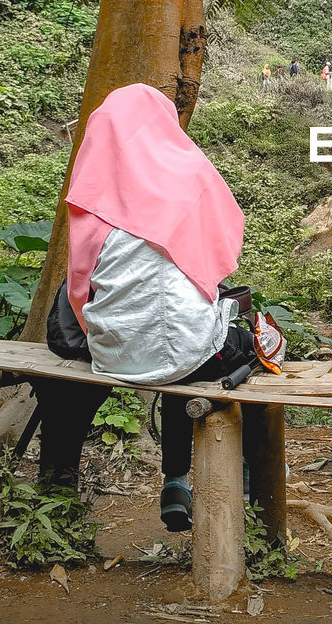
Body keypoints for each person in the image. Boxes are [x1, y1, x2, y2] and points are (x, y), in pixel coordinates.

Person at [36, 84, 284, 530]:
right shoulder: (190, 175)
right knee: (231, 347)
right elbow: (214, 265)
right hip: (195, 356)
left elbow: (79, 292)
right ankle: (247, 476)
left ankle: (174, 482)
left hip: (114, 356)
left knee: (175, 348)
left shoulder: (91, 202)